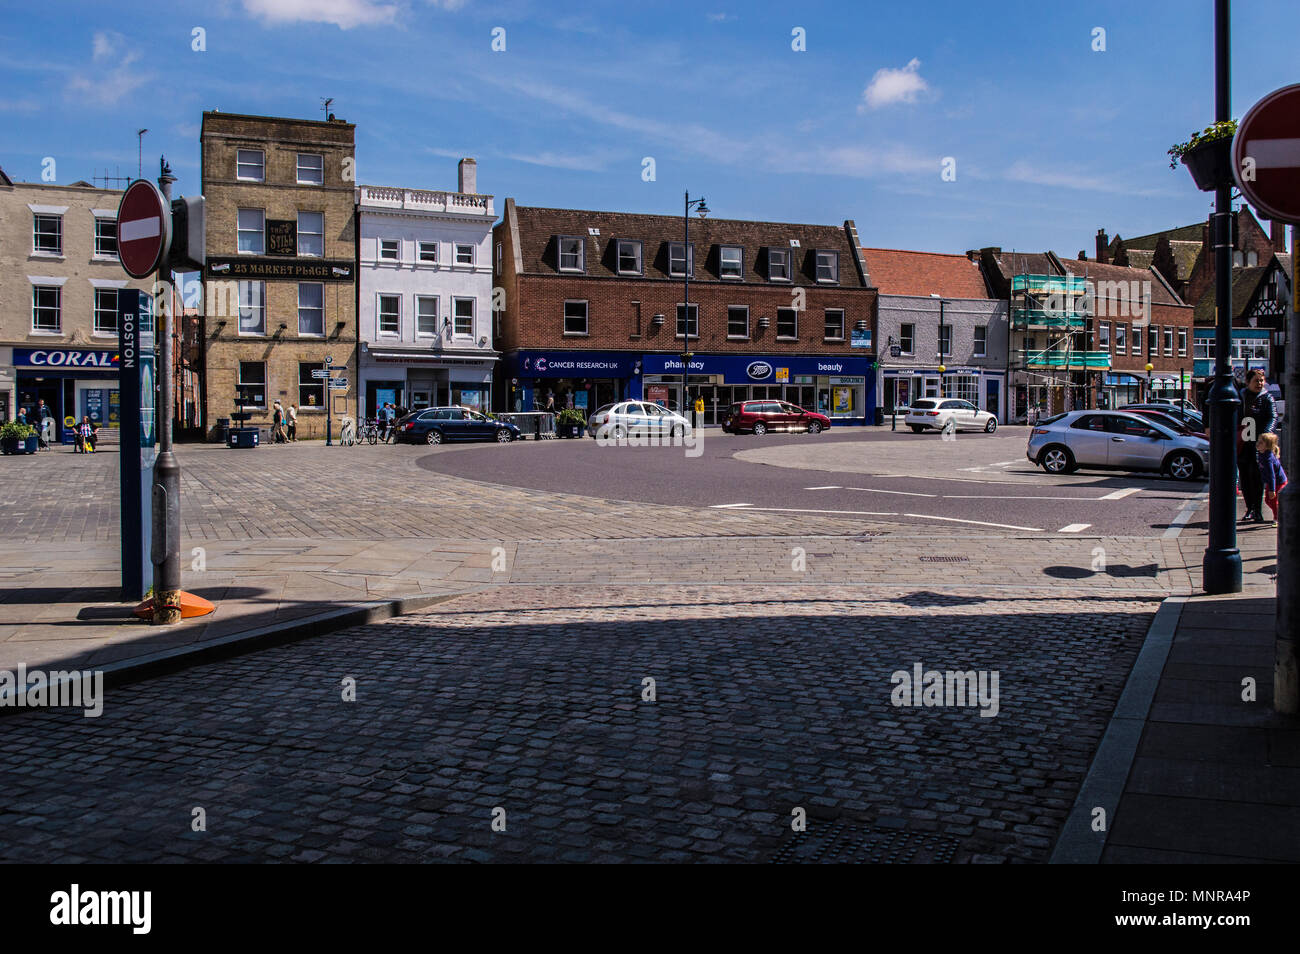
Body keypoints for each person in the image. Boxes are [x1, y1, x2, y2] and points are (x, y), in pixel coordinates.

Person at [1238, 369, 1277, 524]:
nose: (1260, 384)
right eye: (1256, 381)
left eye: (1261, 381)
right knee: (1245, 477)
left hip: (1258, 443)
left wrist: (1265, 434)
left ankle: (1258, 510)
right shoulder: (1241, 396)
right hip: (1243, 443)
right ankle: (1249, 509)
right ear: (1248, 382)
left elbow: (1272, 417)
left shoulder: (1267, 398)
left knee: (1257, 476)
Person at [1258, 433, 1288, 526]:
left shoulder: (1268, 458)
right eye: (1258, 441)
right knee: (1268, 500)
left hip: (1278, 482)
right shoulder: (1261, 454)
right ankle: (1281, 511)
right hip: (1271, 482)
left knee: (1274, 501)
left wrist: (1272, 489)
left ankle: (1277, 518)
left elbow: (1272, 475)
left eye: (1261, 443)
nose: (1257, 444)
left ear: (1267, 446)